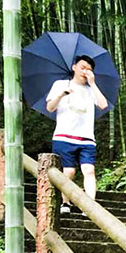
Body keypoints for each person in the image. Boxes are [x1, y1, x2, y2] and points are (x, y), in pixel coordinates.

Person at [46, 54, 109, 213]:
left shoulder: (91, 89)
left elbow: (103, 105)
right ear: (74, 67)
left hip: (86, 138)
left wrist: (92, 83)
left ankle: (90, 207)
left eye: (89, 69)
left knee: (89, 170)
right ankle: (65, 203)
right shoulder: (60, 84)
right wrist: (61, 94)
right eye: (82, 67)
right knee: (69, 171)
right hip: (64, 135)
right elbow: (50, 108)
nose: (85, 71)